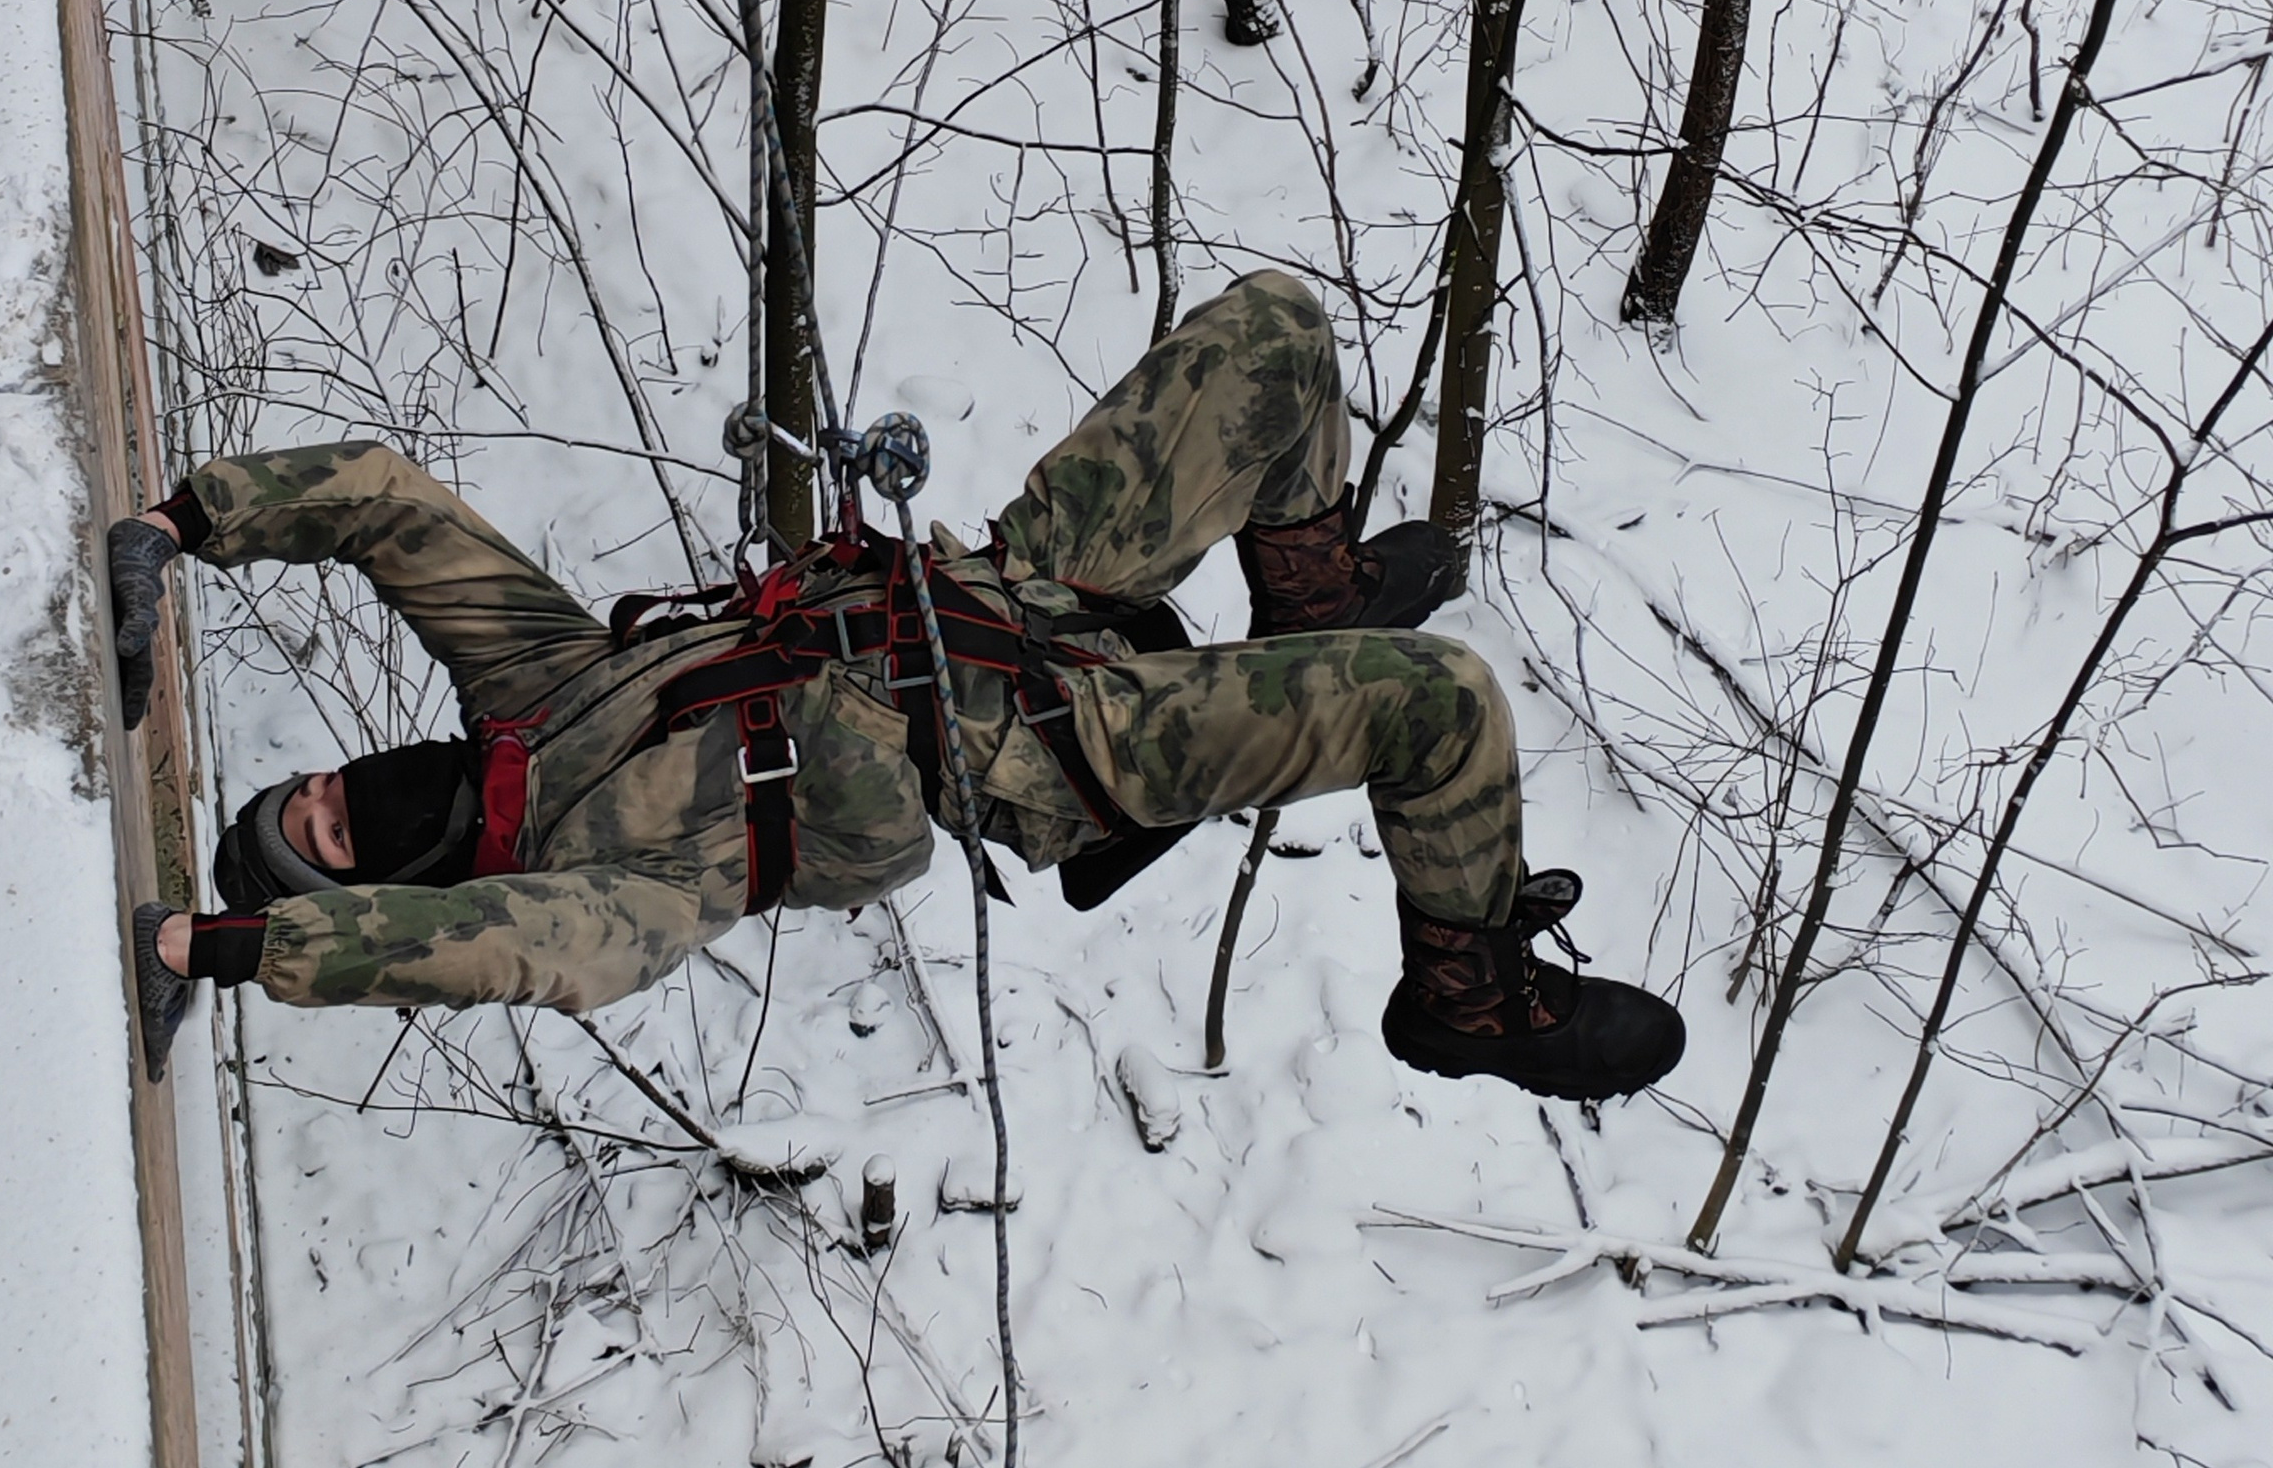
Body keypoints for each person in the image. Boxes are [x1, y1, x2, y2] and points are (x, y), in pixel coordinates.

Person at [114, 270, 1684, 1100]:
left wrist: (182, 526)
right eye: (333, 833)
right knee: (1444, 704)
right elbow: (502, 955)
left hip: (1007, 589)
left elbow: (391, 509)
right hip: (1063, 750)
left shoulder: (539, 685)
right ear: (391, 879)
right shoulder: (614, 885)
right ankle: (1471, 998)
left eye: (315, 789)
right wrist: (229, 949)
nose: (341, 794)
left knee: (1277, 332)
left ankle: (1309, 605)